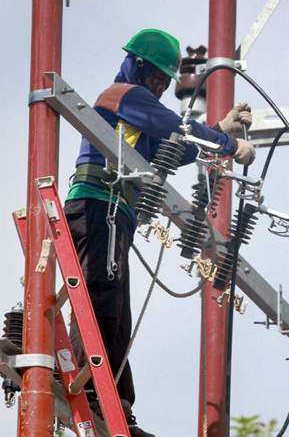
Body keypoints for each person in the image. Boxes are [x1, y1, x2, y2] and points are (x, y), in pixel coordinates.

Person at [64, 28, 255, 437]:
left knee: (117, 313)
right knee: (101, 297)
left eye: (166, 83)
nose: (162, 88)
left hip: (115, 214)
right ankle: (92, 388)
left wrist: (221, 128)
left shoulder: (138, 110)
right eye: (158, 80)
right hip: (98, 206)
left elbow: (171, 146)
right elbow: (174, 127)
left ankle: (117, 402)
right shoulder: (122, 95)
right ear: (139, 66)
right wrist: (227, 144)